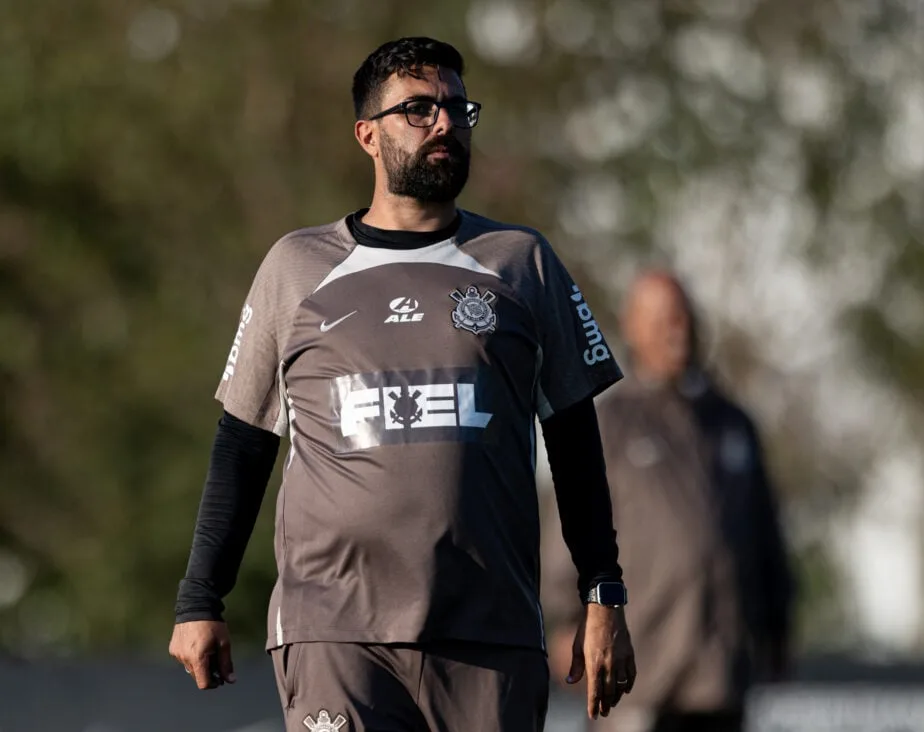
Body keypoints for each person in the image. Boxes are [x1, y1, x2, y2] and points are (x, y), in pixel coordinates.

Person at [167, 36, 637, 732]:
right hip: (335, 628)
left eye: (455, 108)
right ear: (367, 134)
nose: (444, 123)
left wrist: (603, 593)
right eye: (418, 109)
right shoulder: (296, 267)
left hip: (488, 631)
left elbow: (573, 440)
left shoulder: (521, 263)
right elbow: (242, 443)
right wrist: (200, 597)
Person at [541, 270, 795, 732]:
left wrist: (778, 623)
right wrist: (564, 620)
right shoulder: (611, 422)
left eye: (682, 316)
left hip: (721, 676)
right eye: (661, 319)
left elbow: (766, 532)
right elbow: (569, 524)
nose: (676, 329)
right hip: (641, 672)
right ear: (632, 328)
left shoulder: (732, 423)